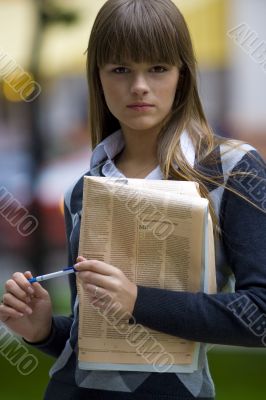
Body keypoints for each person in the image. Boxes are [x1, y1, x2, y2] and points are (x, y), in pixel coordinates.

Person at [1, 0, 266, 399]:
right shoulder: (83, 188)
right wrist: (41, 330)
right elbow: (92, 337)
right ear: (98, 77)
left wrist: (139, 301)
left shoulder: (233, 169)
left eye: (157, 68)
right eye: (120, 69)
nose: (139, 85)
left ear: (182, 75)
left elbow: (259, 316)